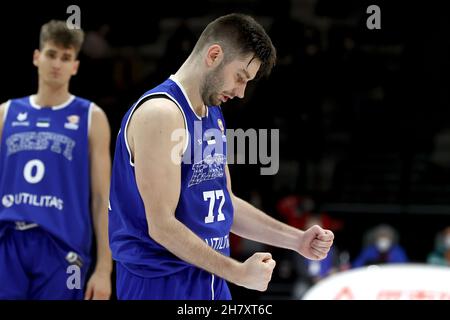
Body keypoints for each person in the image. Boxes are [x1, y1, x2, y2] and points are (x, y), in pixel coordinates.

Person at [108, 13, 334, 300]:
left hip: (209, 278)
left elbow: (225, 201)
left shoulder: (212, 113)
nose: (241, 92)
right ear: (214, 55)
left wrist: (297, 240)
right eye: (240, 77)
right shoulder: (161, 113)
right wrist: (238, 273)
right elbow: (162, 227)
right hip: (160, 283)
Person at [0, 20, 112, 299]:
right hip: (7, 242)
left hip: (63, 250)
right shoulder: (6, 113)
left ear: (75, 66)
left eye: (66, 57)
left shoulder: (91, 117)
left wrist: (104, 269)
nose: (57, 64)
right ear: (37, 57)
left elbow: (102, 198)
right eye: (51, 54)